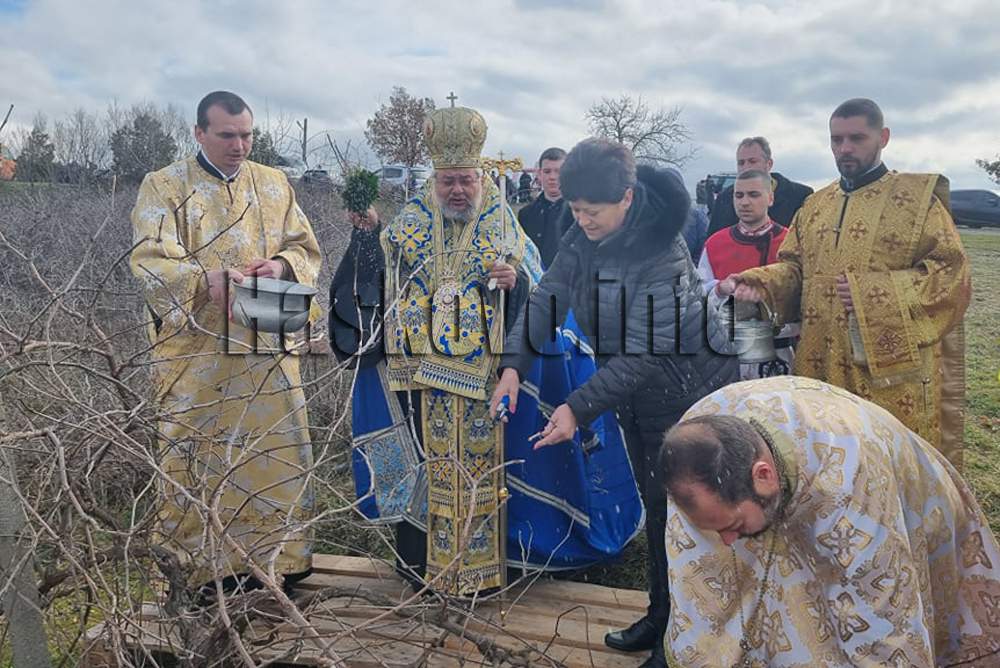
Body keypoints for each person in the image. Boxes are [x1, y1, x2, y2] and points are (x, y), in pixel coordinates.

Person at [329, 105, 644, 596]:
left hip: (489, 379)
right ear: (434, 179)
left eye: (466, 180)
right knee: (425, 470)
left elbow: (541, 292)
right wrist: (367, 234)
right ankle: (422, 568)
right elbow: (376, 278)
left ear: (481, 176)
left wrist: (516, 282)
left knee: (490, 475)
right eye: (448, 181)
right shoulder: (410, 221)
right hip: (420, 381)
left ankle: (484, 574)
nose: (457, 190)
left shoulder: (503, 222)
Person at [492, 138, 738, 668]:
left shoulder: (663, 253)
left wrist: (576, 408)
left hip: (688, 394)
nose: (581, 220)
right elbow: (546, 298)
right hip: (637, 394)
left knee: (687, 515)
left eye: (592, 211)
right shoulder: (582, 238)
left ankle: (687, 638)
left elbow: (646, 352)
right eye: (575, 209)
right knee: (657, 507)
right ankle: (661, 615)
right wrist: (512, 366)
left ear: (626, 197)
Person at [660, 375, 1000, 667]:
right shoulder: (693, 458)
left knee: (850, 616)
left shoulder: (854, 482)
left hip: (886, 486)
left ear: (763, 476)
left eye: (732, 526)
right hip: (782, 481)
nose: (727, 541)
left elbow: (883, 619)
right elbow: (697, 587)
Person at [129, 91, 322, 597]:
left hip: (266, 346)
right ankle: (198, 571)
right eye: (227, 135)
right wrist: (201, 280)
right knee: (195, 458)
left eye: (247, 135)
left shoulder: (275, 183)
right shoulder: (164, 186)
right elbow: (149, 259)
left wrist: (280, 266)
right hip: (198, 356)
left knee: (278, 450)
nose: (239, 145)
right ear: (199, 133)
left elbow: (304, 248)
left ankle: (278, 563)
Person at [719, 99, 971, 465]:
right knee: (828, 461)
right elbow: (795, 269)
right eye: (836, 140)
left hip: (886, 376)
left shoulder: (917, 203)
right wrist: (763, 284)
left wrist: (874, 295)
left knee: (883, 463)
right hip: (819, 361)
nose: (845, 148)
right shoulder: (815, 205)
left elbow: (952, 275)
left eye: (857, 138)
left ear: (883, 137)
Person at [699, 169, 797, 379]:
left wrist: (766, 297)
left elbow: (804, 299)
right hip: (726, 357)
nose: (744, 202)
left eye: (753, 195)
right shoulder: (715, 244)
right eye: (739, 195)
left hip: (779, 357)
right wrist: (720, 289)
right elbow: (697, 296)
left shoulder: (790, 243)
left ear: (770, 198)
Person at [706, 136, 813, 237]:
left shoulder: (800, 196)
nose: (746, 168)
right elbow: (713, 241)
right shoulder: (725, 198)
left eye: (752, 161)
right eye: (741, 163)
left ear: (769, 164)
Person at [517, 147, 570, 267]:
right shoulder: (526, 215)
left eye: (558, 171)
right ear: (539, 174)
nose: (552, 177)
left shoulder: (582, 214)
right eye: (547, 171)